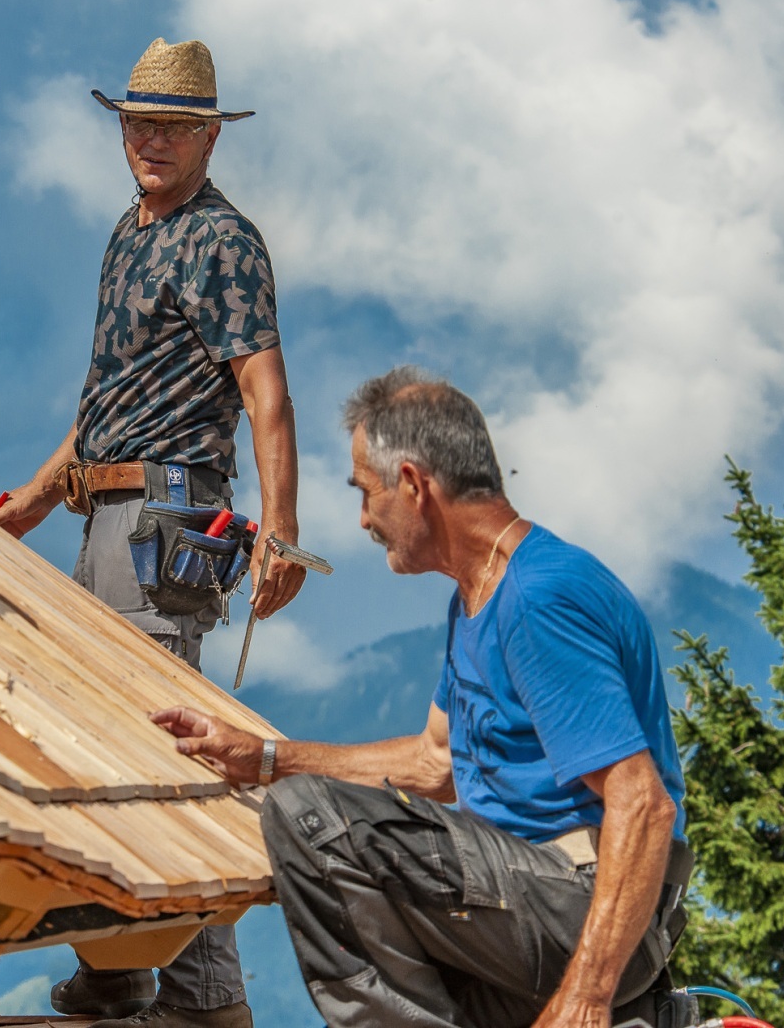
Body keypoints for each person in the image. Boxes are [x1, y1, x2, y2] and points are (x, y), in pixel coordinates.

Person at [150, 367, 692, 1028]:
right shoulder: (478, 597)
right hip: (525, 909)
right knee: (311, 812)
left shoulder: (537, 600)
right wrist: (263, 757)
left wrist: (586, 998)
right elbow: (435, 763)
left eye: (365, 492)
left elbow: (643, 804)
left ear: (412, 484)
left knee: (309, 818)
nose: (362, 518)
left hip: (576, 908)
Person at [0, 38, 307, 1028]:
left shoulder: (223, 242)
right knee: (103, 746)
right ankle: (120, 971)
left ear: (210, 134)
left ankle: (194, 1000)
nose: (150, 140)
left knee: (153, 754)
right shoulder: (130, 233)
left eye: (172, 126)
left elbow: (266, 395)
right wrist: (38, 493)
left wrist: (278, 532)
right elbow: (109, 397)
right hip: (102, 508)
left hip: (167, 512)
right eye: (136, 122)